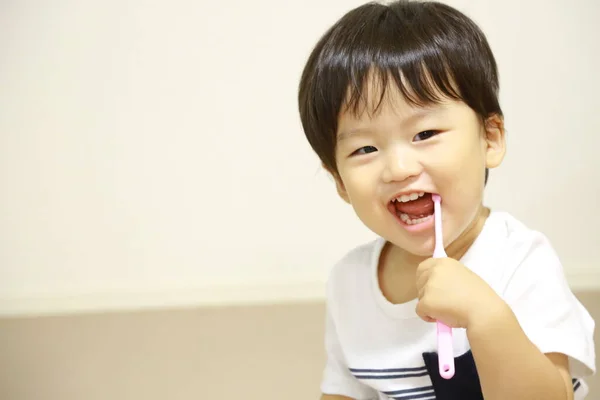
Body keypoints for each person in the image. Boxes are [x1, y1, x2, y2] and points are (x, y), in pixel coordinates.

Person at [296, 1, 596, 399]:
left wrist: (485, 317)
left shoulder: (521, 261)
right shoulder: (348, 284)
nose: (399, 168)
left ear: (490, 139)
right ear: (339, 181)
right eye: (365, 149)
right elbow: (344, 391)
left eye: (424, 134)